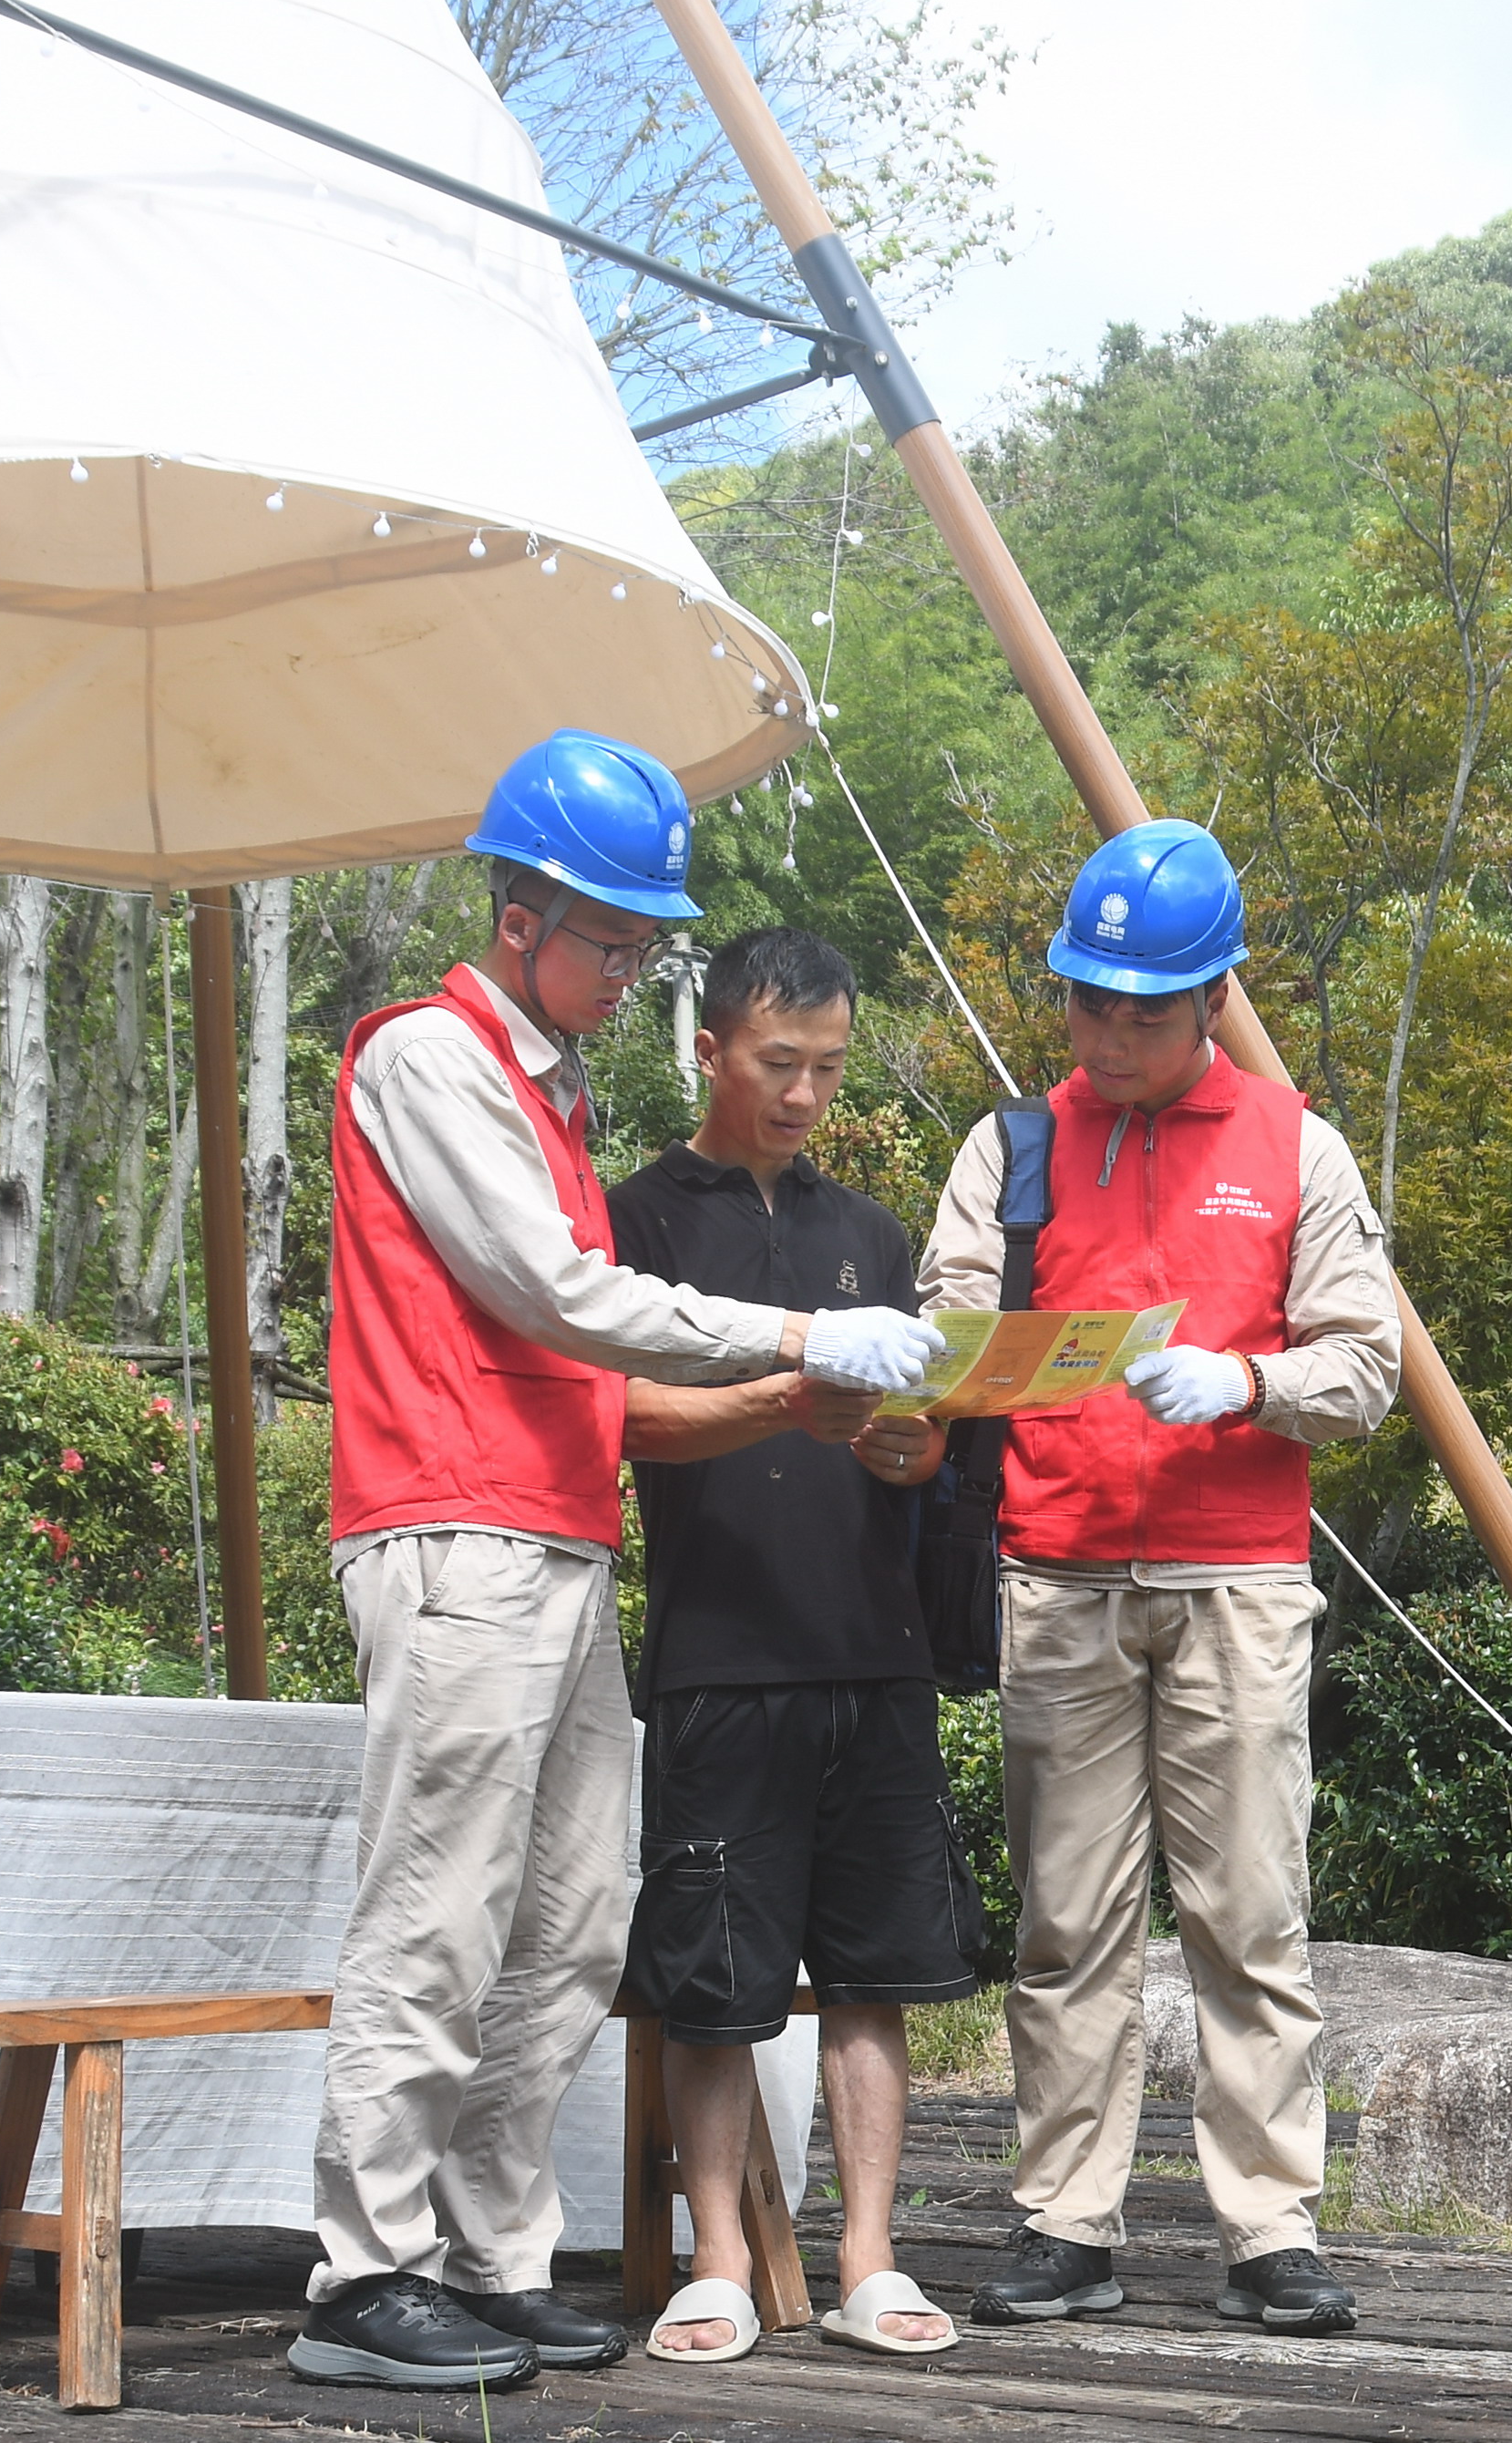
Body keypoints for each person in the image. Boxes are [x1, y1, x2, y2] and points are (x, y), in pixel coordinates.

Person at [293, 732, 942, 2390]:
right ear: (522, 915)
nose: (628, 968)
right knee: (436, 1912)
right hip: (453, 1523)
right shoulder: (428, 1058)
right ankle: (364, 2271)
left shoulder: (551, 1093)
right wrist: (801, 1329)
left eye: (648, 946)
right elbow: (557, 1296)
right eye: (611, 941)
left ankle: (495, 2255)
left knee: (573, 1925)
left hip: (561, 1532)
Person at [927, 820, 1398, 2336]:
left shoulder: (1292, 1145)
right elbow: (942, 1342)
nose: (1114, 1032)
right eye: (1090, 1002)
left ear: (1214, 998)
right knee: (1066, 1918)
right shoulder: (1011, 1148)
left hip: (1234, 1576)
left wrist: (1249, 1382)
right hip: (1057, 1574)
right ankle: (1066, 2217)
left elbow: (1366, 1364)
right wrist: (964, 1370)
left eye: (1148, 1006)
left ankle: (1268, 2223)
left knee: (1249, 1911)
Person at [606, 926, 973, 2365]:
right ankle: (712, 2259)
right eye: (779, 1063)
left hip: (871, 1647)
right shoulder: (634, 1219)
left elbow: (916, 1446)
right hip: (715, 1648)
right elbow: (619, 1414)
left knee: (874, 1968)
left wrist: (904, 1440)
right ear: (707, 1049)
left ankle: (870, 2256)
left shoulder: (872, 1235)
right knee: (713, 1975)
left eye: (826, 1065)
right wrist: (790, 1382)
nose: (807, 1093)